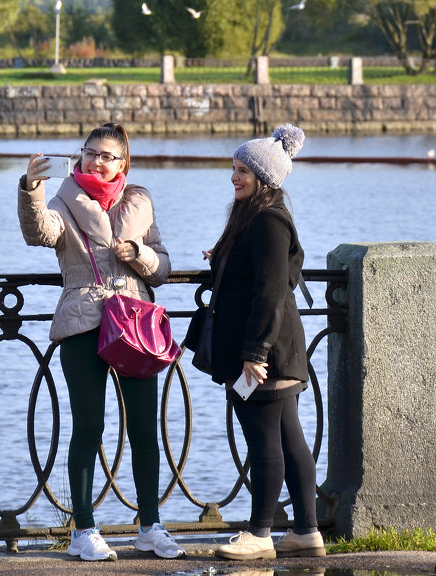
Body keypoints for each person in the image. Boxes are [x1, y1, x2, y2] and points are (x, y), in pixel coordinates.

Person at [18, 122, 185, 562]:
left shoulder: (140, 201)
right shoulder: (64, 198)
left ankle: (150, 525)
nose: (95, 160)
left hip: (133, 325)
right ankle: (84, 530)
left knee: (146, 429)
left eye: (106, 155)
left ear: (122, 162)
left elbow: (163, 266)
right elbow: (39, 233)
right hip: (83, 322)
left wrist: (140, 254)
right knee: (89, 427)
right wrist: (31, 187)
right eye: (89, 152)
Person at [183, 123, 325, 562]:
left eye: (243, 170)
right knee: (288, 440)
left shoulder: (269, 220)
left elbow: (270, 289)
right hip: (274, 349)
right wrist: (223, 256)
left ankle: (260, 534)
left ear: (265, 177)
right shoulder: (257, 217)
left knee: (265, 443)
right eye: (234, 167)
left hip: (266, 352)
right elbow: (266, 273)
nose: (234, 177)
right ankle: (306, 531)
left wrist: (254, 355)